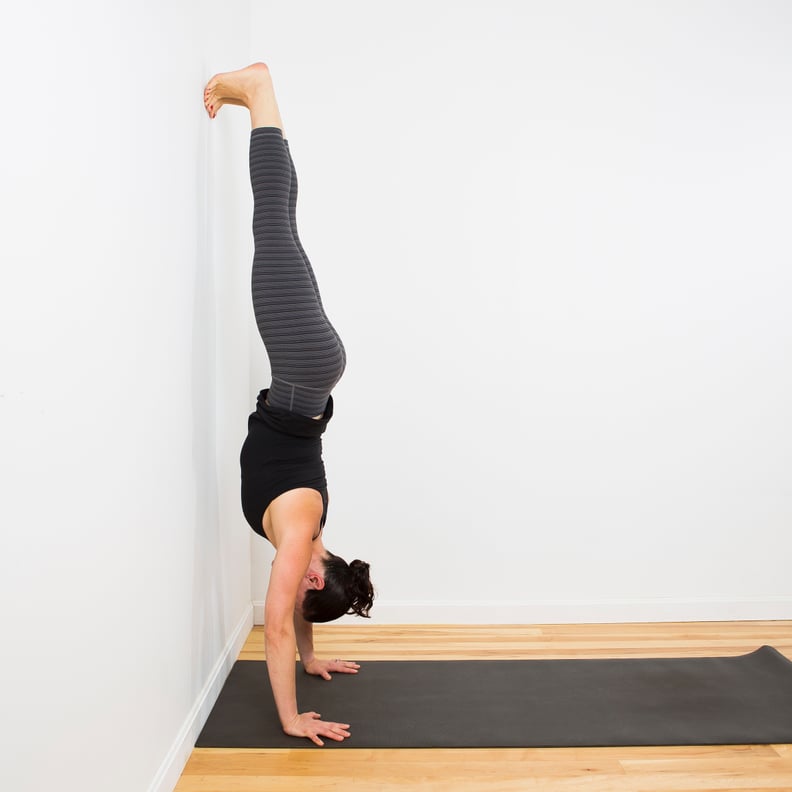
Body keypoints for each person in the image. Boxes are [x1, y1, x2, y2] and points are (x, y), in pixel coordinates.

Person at [203, 62, 374, 746]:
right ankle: (260, 90)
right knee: (272, 219)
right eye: (309, 581)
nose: (294, 582)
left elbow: (292, 616)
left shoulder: (307, 540)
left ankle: (259, 102)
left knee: (282, 221)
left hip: (312, 372)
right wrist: (289, 717)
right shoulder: (300, 536)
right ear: (319, 568)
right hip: (303, 367)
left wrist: (312, 656)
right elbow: (274, 622)